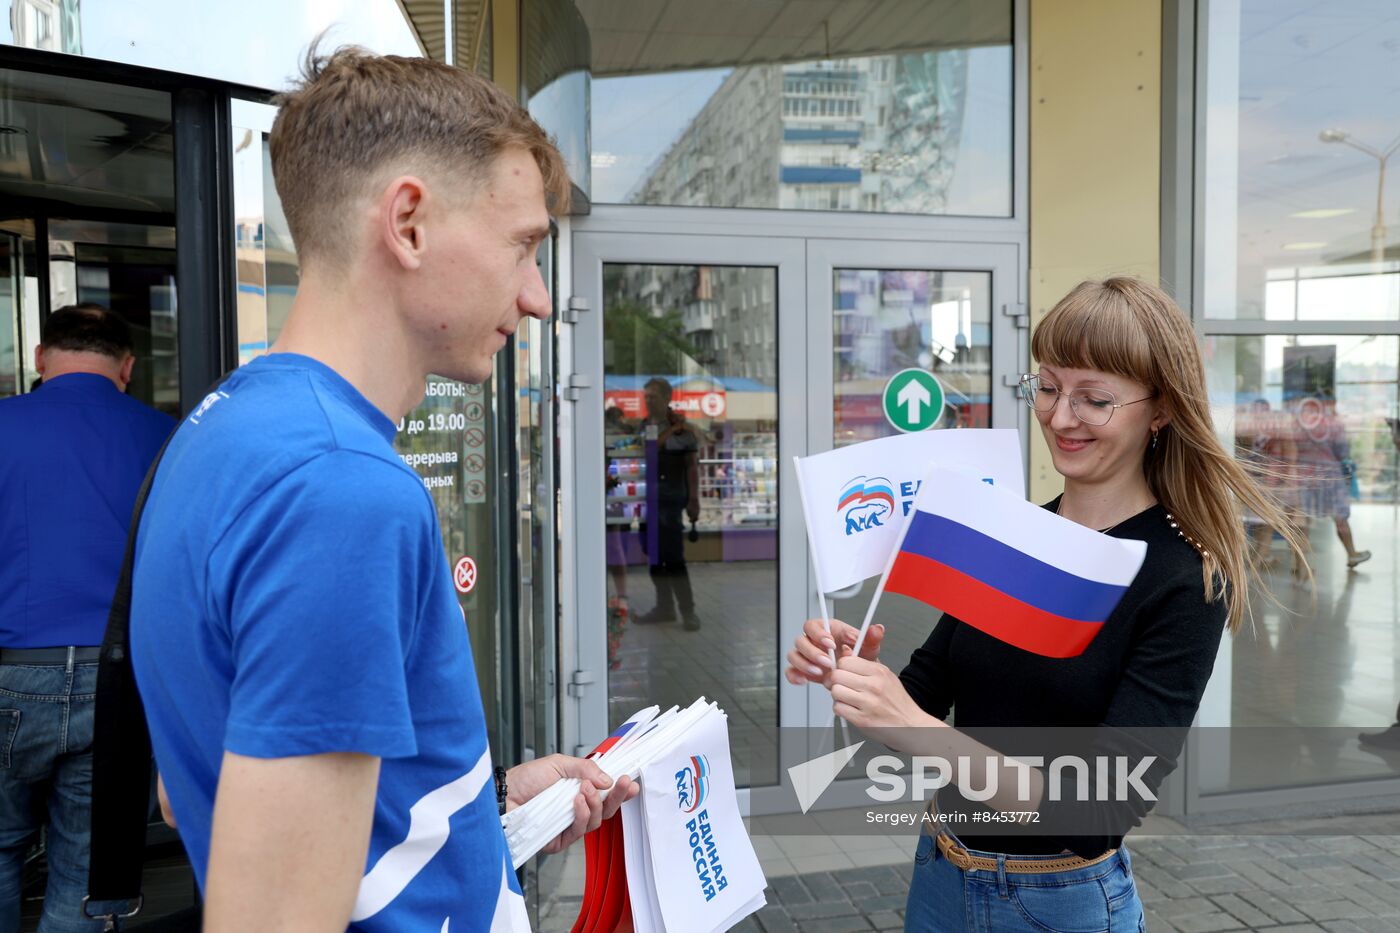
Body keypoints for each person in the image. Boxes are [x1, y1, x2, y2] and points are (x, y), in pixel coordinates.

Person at [128, 47, 634, 931]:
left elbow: (202, 792)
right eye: (523, 246)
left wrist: (499, 799)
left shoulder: (224, 429)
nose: (540, 296)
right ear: (407, 223)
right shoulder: (343, 492)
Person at [786, 277, 1309, 932]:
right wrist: (859, 678)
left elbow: (1095, 812)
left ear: (1163, 409)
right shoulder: (1011, 533)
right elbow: (922, 696)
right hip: (940, 873)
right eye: (1049, 386)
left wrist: (912, 725)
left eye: (1094, 398)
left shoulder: (1184, 578)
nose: (1061, 417)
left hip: (1055, 903)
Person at [0, 304, 174, 933]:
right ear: (126, 368)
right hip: (118, 684)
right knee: (84, 879)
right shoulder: (167, 437)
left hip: (11, 669)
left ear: (41, 358)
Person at [634, 377, 702, 630]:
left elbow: (692, 467)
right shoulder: (645, 426)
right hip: (647, 501)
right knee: (653, 556)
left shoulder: (684, 431)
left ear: (666, 399)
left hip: (672, 500)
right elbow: (648, 451)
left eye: (652, 396)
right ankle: (664, 608)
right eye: (646, 396)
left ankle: (688, 612)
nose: (647, 400)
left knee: (674, 558)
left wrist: (694, 500)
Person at [1290, 396, 1369, 570]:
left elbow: (1292, 448)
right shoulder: (1333, 424)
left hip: (1304, 476)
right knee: (1340, 517)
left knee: (1303, 521)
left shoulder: (1298, 424)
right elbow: (1342, 452)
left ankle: (1299, 564)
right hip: (1329, 477)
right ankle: (1352, 553)